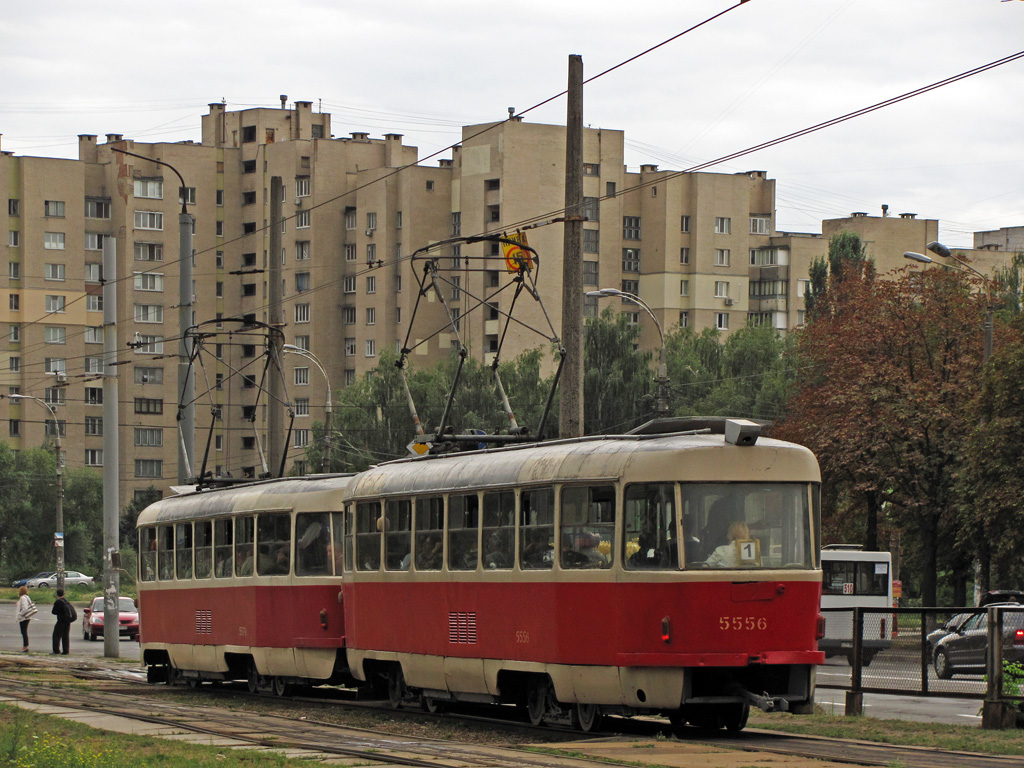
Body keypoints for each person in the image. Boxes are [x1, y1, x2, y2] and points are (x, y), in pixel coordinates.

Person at [51, 589, 74, 655]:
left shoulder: (58, 602)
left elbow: (54, 612)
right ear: (64, 594)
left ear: (57, 594)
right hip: (67, 621)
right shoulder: (66, 601)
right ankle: (66, 651)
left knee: (56, 635)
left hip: (61, 620)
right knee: (65, 636)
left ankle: (56, 651)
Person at [16, 586, 36, 652]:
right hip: (27, 617)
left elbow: (25, 608)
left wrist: (20, 614)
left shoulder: (23, 598)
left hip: (24, 617)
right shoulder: (27, 597)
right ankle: (25, 646)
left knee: (24, 632)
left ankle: (25, 647)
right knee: (24, 632)